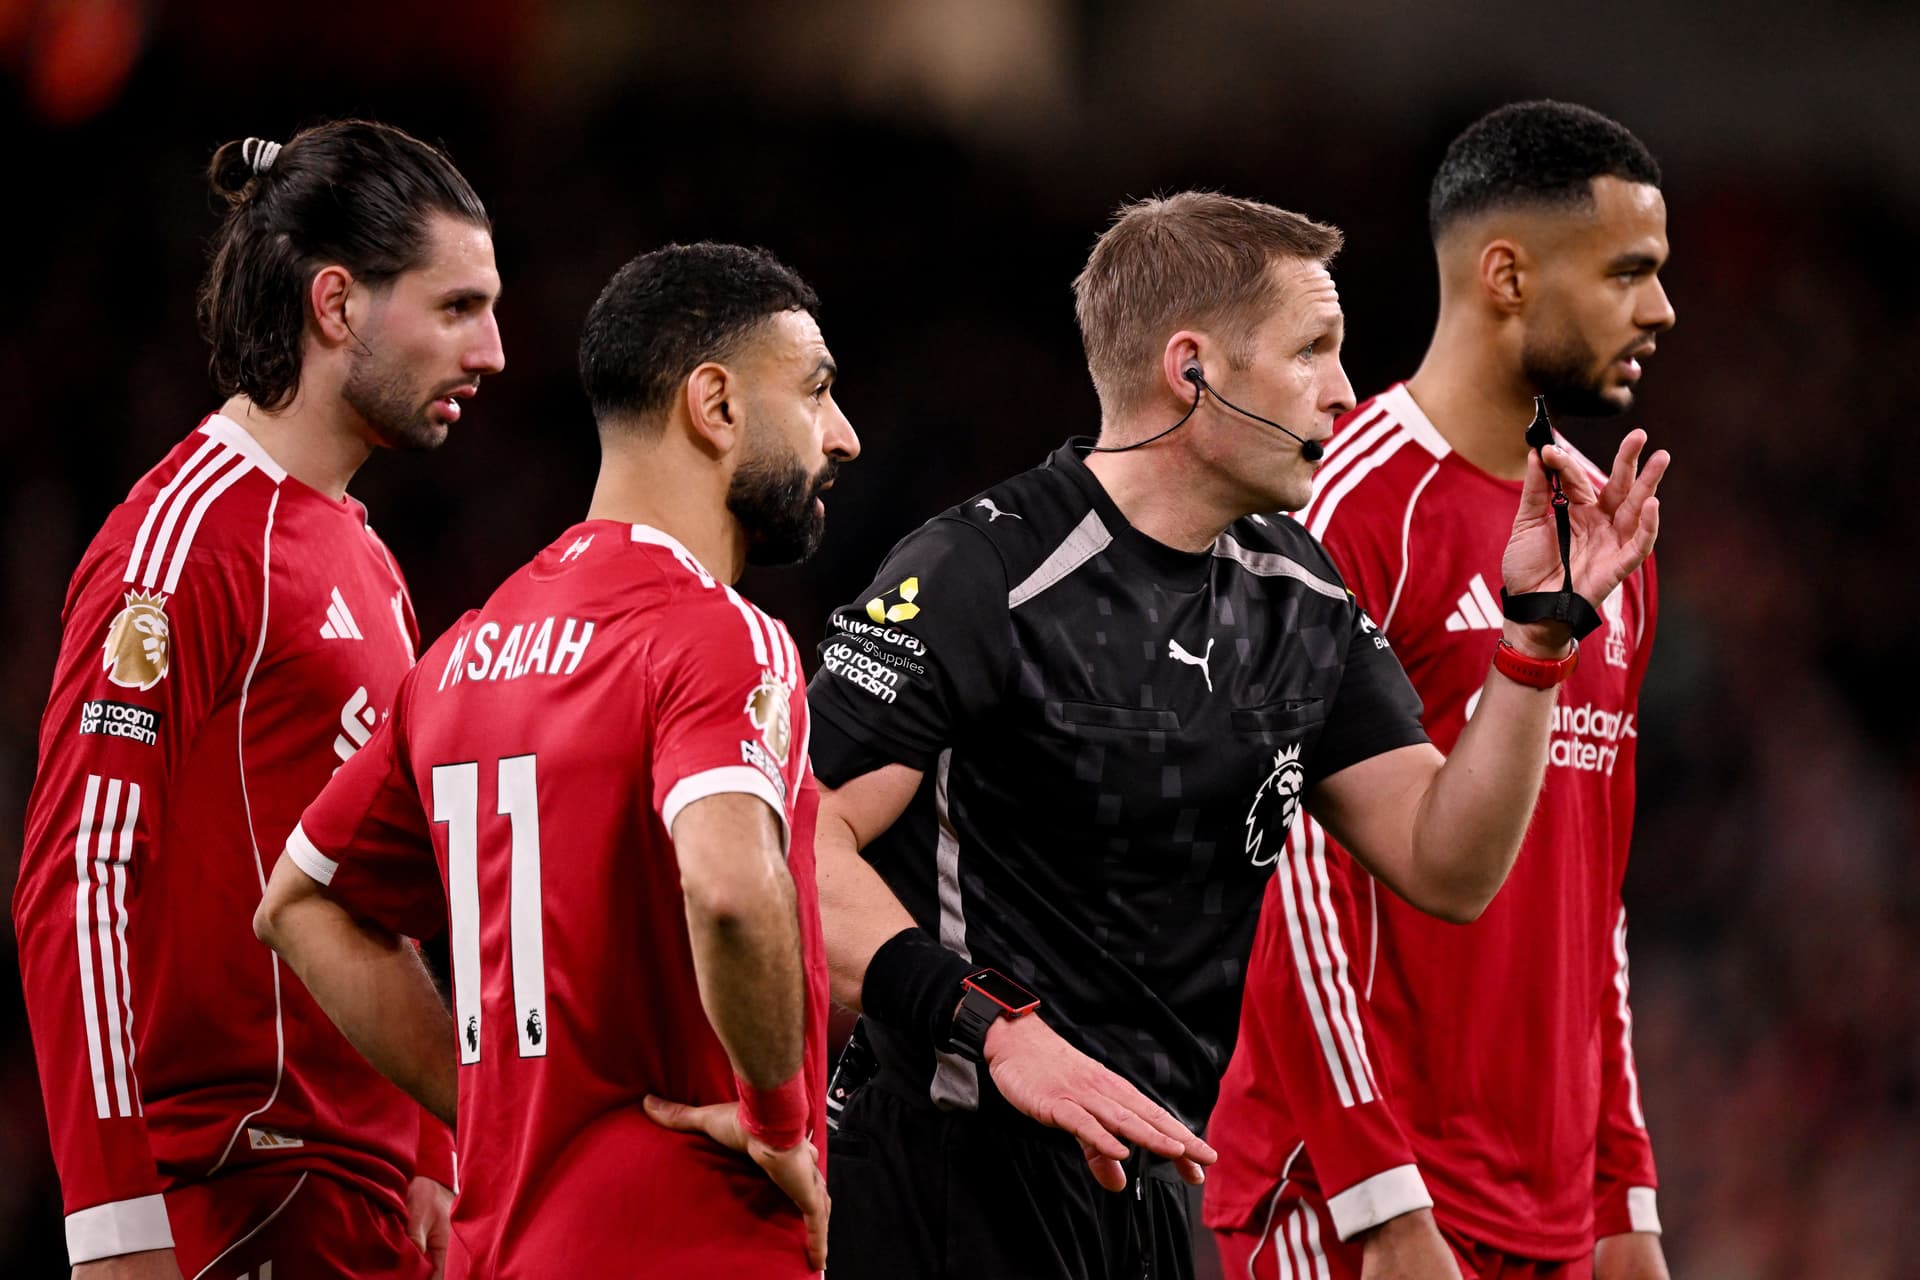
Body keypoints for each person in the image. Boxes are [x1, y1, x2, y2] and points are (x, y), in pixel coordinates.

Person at [806, 190, 1668, 1280]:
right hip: (949, 1172)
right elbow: (800, 841)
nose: (1343, 389)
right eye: (1311, 350)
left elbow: (1449, 861)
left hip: (1153, 1180)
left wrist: (1536, 641)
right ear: (1193, 369)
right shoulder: (980, 570)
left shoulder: (1297, 593)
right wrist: (994, 1028)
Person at [252, 242, 858, 1278]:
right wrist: (778, 1122)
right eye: (815, 390)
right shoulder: (718, 634)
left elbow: (299, 905)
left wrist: (493, 1103)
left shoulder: (461, 656)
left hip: (501, 1247)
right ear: (715, 405)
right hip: (690, 1236)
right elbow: (726, 888)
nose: (841, 435)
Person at [13, 119, 503, 1279]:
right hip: (237, 1191)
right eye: (456, 307)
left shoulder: (367, 560)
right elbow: (79, 880)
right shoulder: (181, 542)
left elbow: (377, 886)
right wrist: (113, 1220)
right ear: (336, 304)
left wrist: (430, 1144)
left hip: (359, 1200)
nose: (491, 350)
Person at [1205, 101, 1676, 1280]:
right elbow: (1279, 869)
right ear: (1506, 275)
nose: (1661, 308)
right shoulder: (1346, 505)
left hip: (1551, 1213)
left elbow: (1595, 888)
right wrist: (1380, 1198)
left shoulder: (1603, 534)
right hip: (1353, 1199)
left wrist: (1624, 1192)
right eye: (1628, 272)